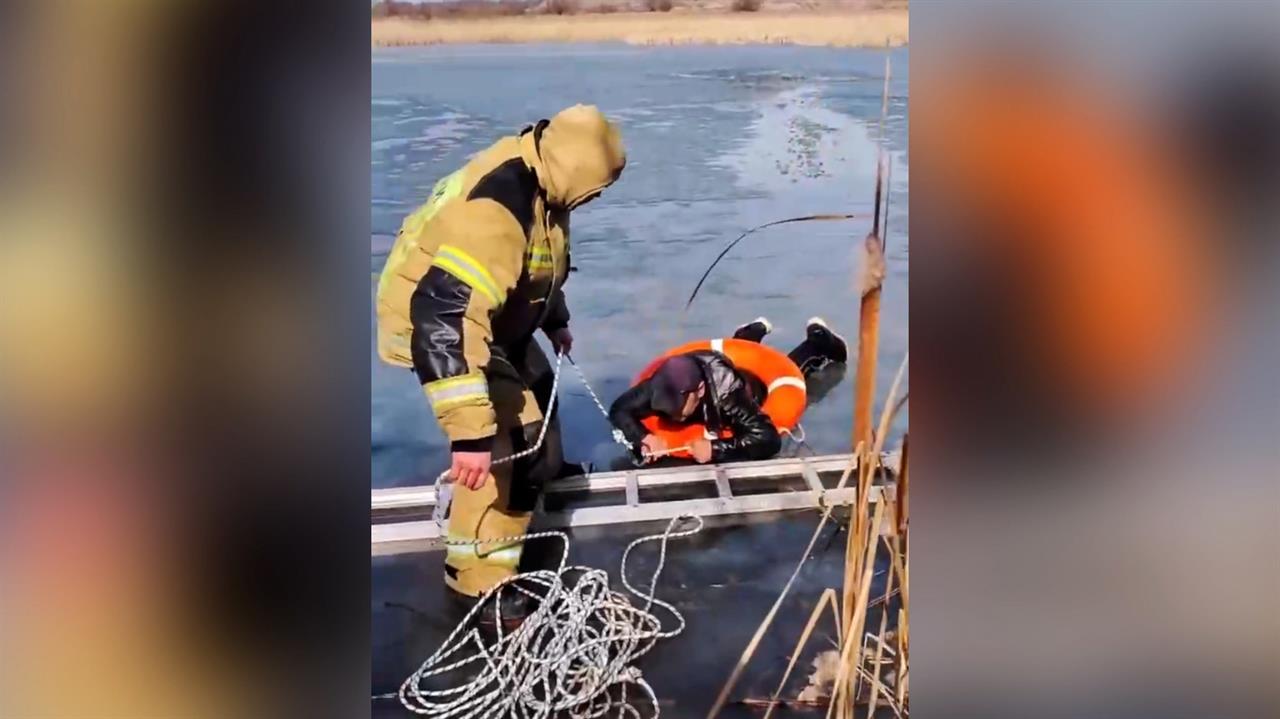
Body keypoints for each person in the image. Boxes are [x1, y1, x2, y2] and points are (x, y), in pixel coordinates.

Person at [374, 105, 625, 617]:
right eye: (596, 187)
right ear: (575, 170)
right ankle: (477, 578)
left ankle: (542, 474)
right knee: (511, 437)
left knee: (538, 385)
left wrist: (554, 318)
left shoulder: (548, 181)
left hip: (491, 318)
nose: (597, 198)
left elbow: (538, 261)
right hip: (438, 328)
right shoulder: (498, 204)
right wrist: (471, 437)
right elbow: (445, 317)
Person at [609, 317, 848, 464]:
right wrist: (644, 437)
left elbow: (768, 439)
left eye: (677, 407)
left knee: (791, 369)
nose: (672, 413)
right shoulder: (659, 384)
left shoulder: (727, 393)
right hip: (707, 363)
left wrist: (716, 449)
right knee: (736, 353)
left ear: (699, 390)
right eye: (665, 406)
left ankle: (818, 342)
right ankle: (749, 335)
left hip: (750, 388)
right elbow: (620, 409)